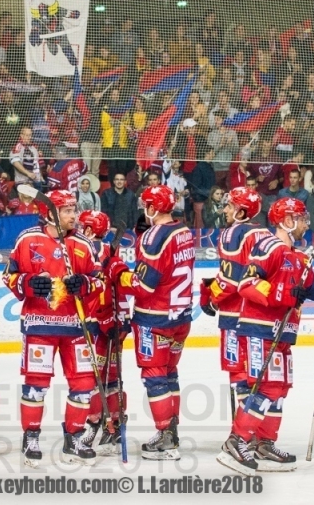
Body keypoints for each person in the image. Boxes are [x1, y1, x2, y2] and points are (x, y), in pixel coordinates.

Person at [214, 197, 314, 475]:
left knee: (279, 390)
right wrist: (280, 295)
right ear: (287, 221)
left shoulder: (299, 255)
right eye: (302, 217)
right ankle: (237, 441)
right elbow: (247, 284)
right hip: (259, 328)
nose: (306, 223)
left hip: (283, 332)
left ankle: (264, 444)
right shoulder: (269, 246)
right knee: (265, 388)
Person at [3, 190, 105, 466]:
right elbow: (8, 276)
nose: (74, 215)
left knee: (83, 387)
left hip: (75, 327)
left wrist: (84, 284)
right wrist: (27, 283)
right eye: (68, 210)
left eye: (74, 209)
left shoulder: (84, 244)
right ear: (50, 213)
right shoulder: (27, 239)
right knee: (36, 387)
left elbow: (99, 281)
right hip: (40, 326)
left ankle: (73, 437)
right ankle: (31, 437)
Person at [105, 185, 195, 460]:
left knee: (155, 378)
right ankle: (173, 429)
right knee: (170, 374)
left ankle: (166, 436)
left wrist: (117, 271)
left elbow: (143, 285)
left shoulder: (153, 237)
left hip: (154, 320)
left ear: (153, 208)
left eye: (147, 204)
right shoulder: (184, 232)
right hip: (181, 318)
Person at [199, 187, 271, 422]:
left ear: (241, 212)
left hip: (234, 313)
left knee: (238, 373)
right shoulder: (264, 233)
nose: (225, 210)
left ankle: (240, 433)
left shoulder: (233, 233)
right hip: (258, 315)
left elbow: (230, 279)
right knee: (256, 374)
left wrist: (211, 297)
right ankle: (256, 432)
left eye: (230, 206)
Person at [78, 210, 130, 455]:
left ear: (89, 230)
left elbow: (102, 291)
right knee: (111, 378)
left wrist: (106, 319)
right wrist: (119, 319)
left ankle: (93, 424)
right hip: (115, 322)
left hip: (98, 322)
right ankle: (116, 423)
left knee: (92, 379)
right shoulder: (110, 250)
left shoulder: (89, 249)